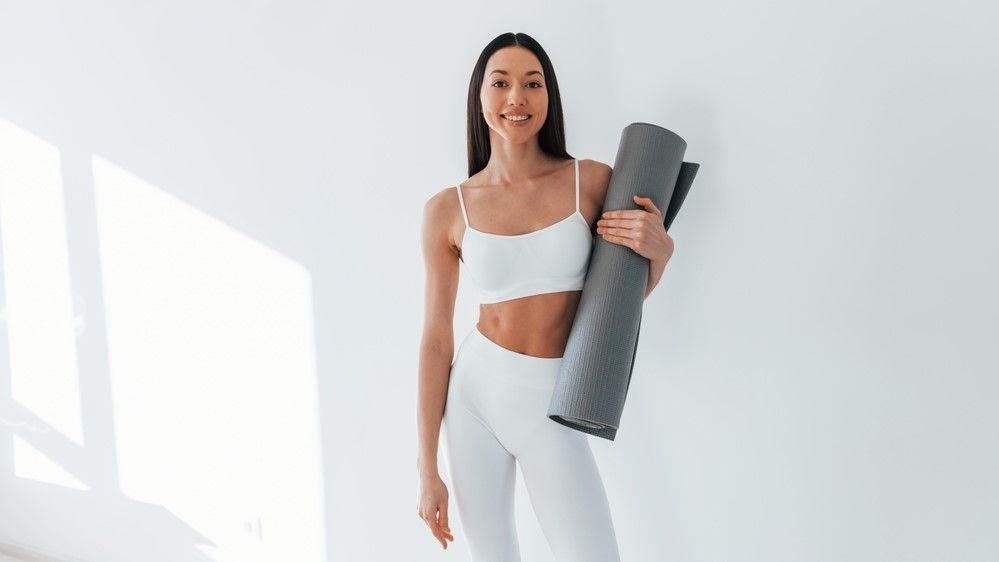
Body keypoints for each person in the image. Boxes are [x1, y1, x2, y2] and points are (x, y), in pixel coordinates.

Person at [416, 32, 675, 561]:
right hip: (474, 397)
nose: (517, 98)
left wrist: (661, 253)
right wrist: (427, 470)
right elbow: (436, 341)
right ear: (481, 98)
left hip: (554, 401)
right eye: (502, 83)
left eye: (532, 84)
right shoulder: (447, 210)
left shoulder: (592, 181)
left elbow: (620, 301)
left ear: (549, 97)